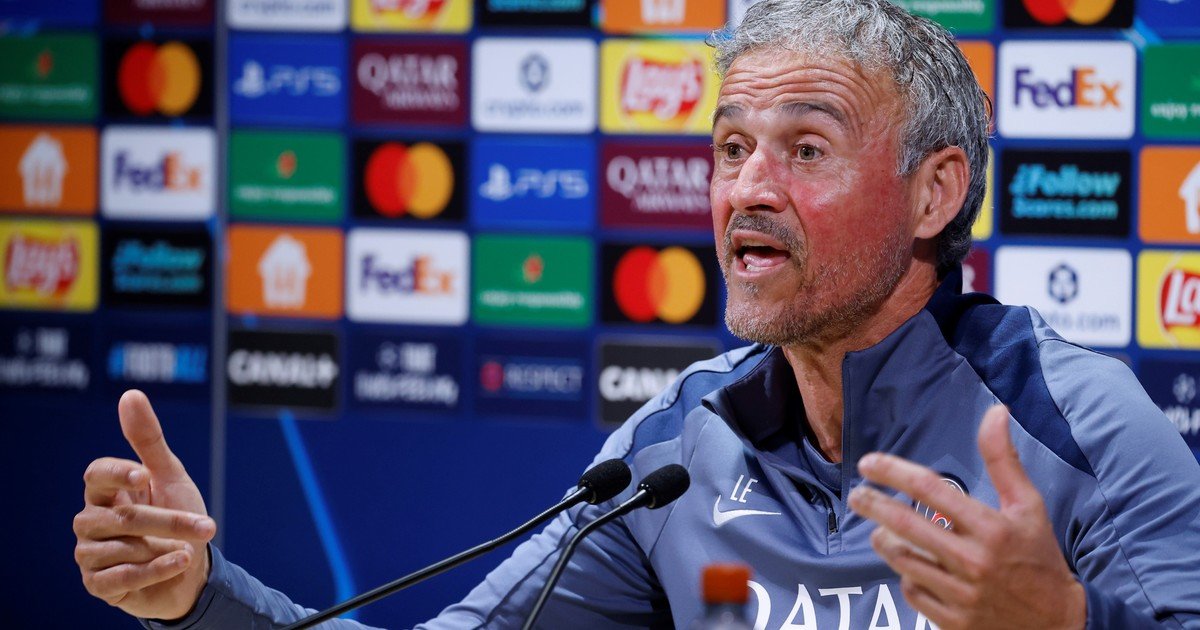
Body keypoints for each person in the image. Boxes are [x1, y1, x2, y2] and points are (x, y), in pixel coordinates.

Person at [74, 0, 1200, 627]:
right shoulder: (676, 450)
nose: (748, 189)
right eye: (730, 148)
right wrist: (197, 596)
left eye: (806, 150)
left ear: (934, 193)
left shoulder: (1080, 427)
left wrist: (1067, 626)